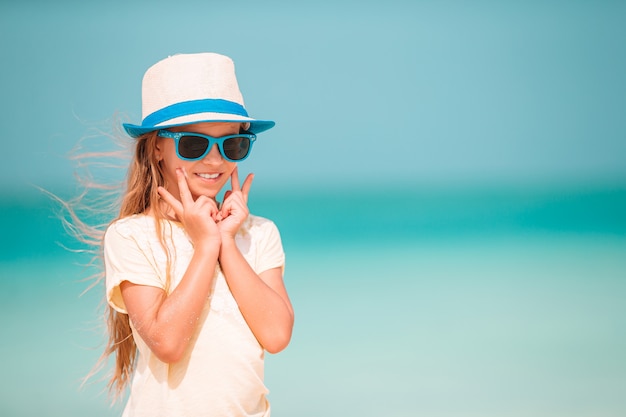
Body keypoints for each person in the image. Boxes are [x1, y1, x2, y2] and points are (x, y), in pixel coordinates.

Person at [100, 52, 294, 416]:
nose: (215, 160)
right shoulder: (131, 236)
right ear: (157, 146)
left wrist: (226, 243)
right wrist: (206, 247)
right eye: (194, 143)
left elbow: (277, 335)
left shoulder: (259, 233)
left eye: (232, 144)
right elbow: (167, 343)